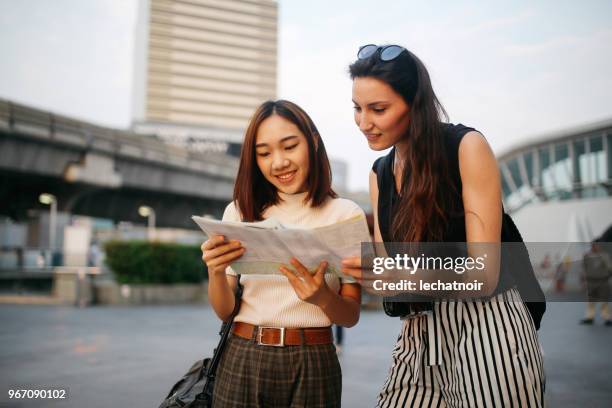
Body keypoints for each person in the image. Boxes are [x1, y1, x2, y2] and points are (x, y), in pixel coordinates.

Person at [341, 44, 545, 407]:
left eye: (379, 109)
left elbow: (484, 273)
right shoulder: (380, 174)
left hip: (488, 322)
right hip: (421, 331)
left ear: (414, 104)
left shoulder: (466, 146)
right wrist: (363, 272)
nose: (364, 122)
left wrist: (404, 274)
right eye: (357, 108)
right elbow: (391, 275)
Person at [201, 100, 364, 407]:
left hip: (314, 360)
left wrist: (323, 298)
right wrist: (215, 272)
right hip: (243, 353)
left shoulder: (345, 214)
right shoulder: (239, 212)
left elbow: (351, 316)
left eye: (289, 146)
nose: (278, 163)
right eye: (264, 153)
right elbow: (225, 312)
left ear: (313, 141)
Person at [580, 239, 612, 325]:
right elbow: (584, 268)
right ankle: (590, 317)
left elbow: (610, 267)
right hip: (591, 281)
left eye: (596, 245)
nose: (594, 247)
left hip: (603, 281)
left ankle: (607, 317)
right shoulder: (586, 256)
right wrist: (583, 280)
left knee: (604, 300)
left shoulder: (604, 255)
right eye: (593, 245)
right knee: (591, 300)